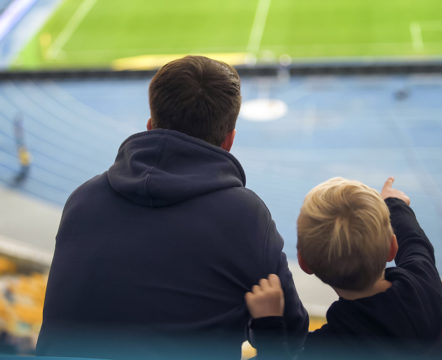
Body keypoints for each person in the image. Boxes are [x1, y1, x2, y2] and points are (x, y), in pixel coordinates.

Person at [36, 56, 308, 359]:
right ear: (229, 140)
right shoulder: (247, 218)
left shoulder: (81, 201)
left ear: (151, 126)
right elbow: (292, 334)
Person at [245, 177, 442, 359]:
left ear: (304, 263)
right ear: (392, 247)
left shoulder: (326, 349)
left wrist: (268, 324)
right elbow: (416, 244)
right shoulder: (425, 285)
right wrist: (395, 204)